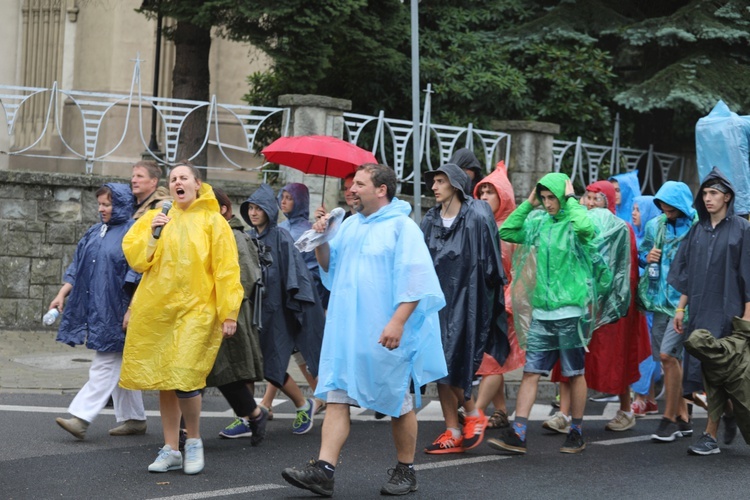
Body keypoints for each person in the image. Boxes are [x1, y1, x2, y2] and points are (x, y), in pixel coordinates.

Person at [281, 163, 447, 497]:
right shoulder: (350, 225)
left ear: (381, 189)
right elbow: (330, 268)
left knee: (398, 402)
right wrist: (323, 239)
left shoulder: (403, 227)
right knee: (337, 395)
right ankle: (324, 470)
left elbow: (418, 281)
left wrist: (398, 321)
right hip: (347, 331)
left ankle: (406, 469)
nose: (351, 189)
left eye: (359, 184)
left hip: (385, 332)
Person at [120, 162, 243, 475]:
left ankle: (195, 441)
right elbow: (137, 261)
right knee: (165, 379)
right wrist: (152, 234)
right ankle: (171, 447)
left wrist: (229, 311)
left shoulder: (214, 222)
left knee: (185, 378)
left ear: (197, 184)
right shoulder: (155, 217)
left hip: (197, 310)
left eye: (183, 177)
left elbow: (227, 268)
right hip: (158, 310)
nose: (178, 182)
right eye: (173, 178)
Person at [489, 172, 601, 455]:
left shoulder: (574, 222)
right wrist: (528, 203)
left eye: (553, 197)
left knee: (574, 373)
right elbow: (507, 232)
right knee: (531, 372)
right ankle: (519, 432)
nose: (548, 203)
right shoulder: (539, 223)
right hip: (543, 311)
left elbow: (587, 229)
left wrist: (571, 200)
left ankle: (576, 431)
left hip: (571, 311)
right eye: (545, 197)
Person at [545, 181, 649, 433]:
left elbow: (628, 271)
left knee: (618, 357)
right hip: (579, 301)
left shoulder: (622, 228)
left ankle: (626, 410)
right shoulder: (576, 224)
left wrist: (615, 304)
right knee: (569, 355)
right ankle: (563, 414)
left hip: (613, 306)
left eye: (597, 198)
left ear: (608, 202)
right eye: (587, 197)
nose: (590, 203)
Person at [420, 163, 507, 454]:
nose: (434, 186)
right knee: (437, 365)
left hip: (467, 300)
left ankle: (472, 413)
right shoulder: (431, 219)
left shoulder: (477, 214)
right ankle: (453, 429)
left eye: (441, 181)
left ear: (456, 184)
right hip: (437, 302)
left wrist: (489, 297)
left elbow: (491, 260)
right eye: (433, 181)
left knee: (450, 362)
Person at [52, 183, 147, 440]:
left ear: (122, 205)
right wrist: (62, 293)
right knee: (118, 363)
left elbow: (138, 275)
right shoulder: (95, 232)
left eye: (107, 204)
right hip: (100, 309)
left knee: (105, 363)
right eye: (100, 204)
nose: (101, 209)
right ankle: (135, 419)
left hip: (118, 311)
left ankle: (81, 418)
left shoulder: (133, 234)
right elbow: (78, 266)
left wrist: (132, 309)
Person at [668, 167, 750, 455]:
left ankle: (709, 436)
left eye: (713, 193)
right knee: (699, 379)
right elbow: (688, 274)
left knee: (719, 376)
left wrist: (746, 320)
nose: (707, 198)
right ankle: (727, 414)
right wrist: (680, 309)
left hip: (729, 315)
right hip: (699, 314)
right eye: (704, 193)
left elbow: (748, 276)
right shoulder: (697, 231)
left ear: (727, 197)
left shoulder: (742, 229)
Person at [240, 184, 325, 436]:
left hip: (279, 310)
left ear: (268, 210)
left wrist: (293, 306)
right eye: (251, 208)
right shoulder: (248, 237)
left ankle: (298, 406)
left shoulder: (282, 237)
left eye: (258, 208)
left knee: (271, 361)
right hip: (255, 310)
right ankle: (251, 414)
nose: (254, 213)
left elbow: (295, 275)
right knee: (259, 362)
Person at [205, 187, 268, 444]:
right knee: (213, 372)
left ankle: (252, 415)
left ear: (222, 209)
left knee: (224, 372)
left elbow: (248, 276)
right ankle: (253, 415)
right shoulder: (209, 233)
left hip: (232, 314)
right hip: (210, 312)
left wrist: (227, 308)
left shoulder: (234, 236)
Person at [261, 183, 327, 419]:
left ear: (300, 201)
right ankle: (321, 396)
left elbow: (315, 268)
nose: (284, 202)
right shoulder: (279, 228)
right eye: (282, 197)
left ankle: (324, 396)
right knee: (288, 352)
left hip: (304, 298)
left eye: (290, 198)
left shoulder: (309, 230)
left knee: (294, 352)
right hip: (282, 298)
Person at [636, 181, 696, 443]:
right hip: (659, 302)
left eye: (670, 204)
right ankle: (684, 417)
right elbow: (640, 251)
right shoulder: (654, 225)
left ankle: (670, 419)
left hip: (686, 304)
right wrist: (647, 256)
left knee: (668, 355)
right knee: (669, 360)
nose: (665, 208)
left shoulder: (696, 228)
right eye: (662, 204)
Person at [472, 163, 525, 430]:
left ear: (503, 196)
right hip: (487, 304)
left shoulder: (510, 230)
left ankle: (476, 414)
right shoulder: (483, 225)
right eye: (481, 193)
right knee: (495, 360)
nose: (483, 198)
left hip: (505, 306)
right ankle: (501, 411)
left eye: (490, 193)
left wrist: (509, 301)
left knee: (492, 361)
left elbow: (522, 270)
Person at [630, 195, 664, 417]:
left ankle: (641, 398)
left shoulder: (660, 239)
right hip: (643, 302)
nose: (634, 213)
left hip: (654, 303)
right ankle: (650, 399)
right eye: (632, 209)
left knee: (647, 351)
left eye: (638, 209)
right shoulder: (638, 237)